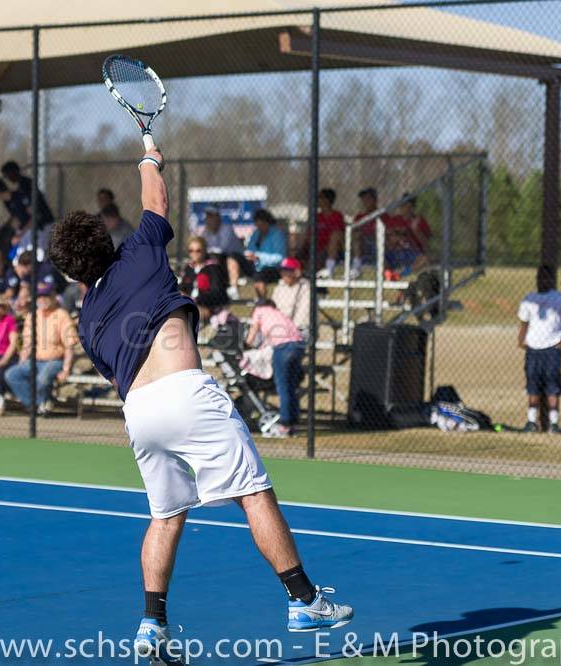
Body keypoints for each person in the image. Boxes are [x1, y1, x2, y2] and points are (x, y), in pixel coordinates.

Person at [48, 143, 353, 659]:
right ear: (107, 238)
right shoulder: (140, 250)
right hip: (186, 393)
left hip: (139, 416)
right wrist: (148, 151)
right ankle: (303, 600)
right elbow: (156, 199)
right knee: (253, 493)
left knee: (166, 516)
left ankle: (152, 624)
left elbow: (116, 373)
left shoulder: (88, 319)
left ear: (73, 275)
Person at [517, 265, 561, 434]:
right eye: (539, 277)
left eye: (545, 277)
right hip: (533, 349)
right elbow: (524, 323)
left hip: (552, 348)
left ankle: (554, 424)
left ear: (552, 280)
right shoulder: (529, 299)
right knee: (533, 385)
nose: (541, 280)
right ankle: (531, 421)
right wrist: (521, 340)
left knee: (553, 385)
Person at [4, 284, 78, 416]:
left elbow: (69, 346)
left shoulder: (62, 315)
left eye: (46, 296)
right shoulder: (33, 315)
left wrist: (66, 369)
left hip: (55, 360)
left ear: (54, 297)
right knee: (12, 375)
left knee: (42, 379)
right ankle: (39, 404)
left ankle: (42, 404)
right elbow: (27, 343)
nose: (42, 300)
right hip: (35, 360)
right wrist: (22, 360)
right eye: (40, 297)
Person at [245, 299, 306, 437]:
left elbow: (252, 334)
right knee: (291, 385)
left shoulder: (259, 311)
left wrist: (246, 345)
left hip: (283, 347)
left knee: (283, 385)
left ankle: (284, 425)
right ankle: (293, 422)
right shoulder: (278, 313)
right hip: (298, 345)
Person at [199, 207, 248, 299]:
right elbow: (203, 247)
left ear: (217, 218)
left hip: (238, 261)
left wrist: (209, 251)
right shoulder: (206, 232)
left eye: (211, 217)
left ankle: (234, 289)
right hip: (218, 261)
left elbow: (222, 249)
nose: (208, 220)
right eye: (207, 217)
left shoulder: (227, 229)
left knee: (228, 258)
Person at [244, 208, 287, 300]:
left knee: (260, 275)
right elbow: (250, 249)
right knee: (234, 257)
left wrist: (259, 257)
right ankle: (233, 289)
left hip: (273, 268)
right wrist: (249, 255)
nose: (259, 227)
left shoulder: (277, 234)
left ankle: (262, 301)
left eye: (262, 224)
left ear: (267, 222)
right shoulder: (256, 233)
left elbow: (280, 258)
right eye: (257, 224)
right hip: (255, 266)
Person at [387, 193, 432, 275]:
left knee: (425, 260)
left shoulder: (420, 220)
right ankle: (389, 274)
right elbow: (387, 239)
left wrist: (416, 230)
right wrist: (397, 236)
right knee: (382, 258)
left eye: (409, 206)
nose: (406, 208)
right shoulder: (394, 220)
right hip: (395, 251)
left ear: (413, 207)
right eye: (404, 205)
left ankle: (402, 274)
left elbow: (426, 245)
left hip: (412, 253)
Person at [308, 189, 346, 278]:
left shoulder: (337, 215)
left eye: (320, 198)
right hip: (316, 250)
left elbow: (339, 236)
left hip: (334, 251)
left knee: (335, 235)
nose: (318, 200)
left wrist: (324, 250)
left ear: (327, 200)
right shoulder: (316, 217)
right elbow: (308, 237)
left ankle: (329, 268)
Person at [272, 258, 311, 339]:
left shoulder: (306, 288)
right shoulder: (279, 288)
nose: (283, 274)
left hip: (300, 329)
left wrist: (288, 329)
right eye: (282, 271)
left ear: (297, 272)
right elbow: (273, 310)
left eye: (287, 271)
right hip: (279, 327)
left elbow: (303, 316)